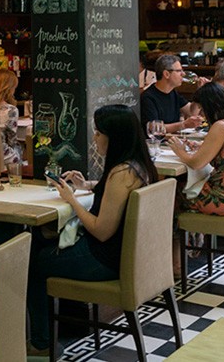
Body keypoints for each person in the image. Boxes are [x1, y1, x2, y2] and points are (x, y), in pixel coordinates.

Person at [26, 105, 158, 353]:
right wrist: (87, 184)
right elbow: (116, 195)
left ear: (114, 137)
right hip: (126, 257)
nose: (94, 138)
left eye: (98, 133)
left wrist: (72, 200)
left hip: (104, 259)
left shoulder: (121, 173)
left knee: (33, 263)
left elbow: (101, 231)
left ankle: (42, 343)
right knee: (38, 241)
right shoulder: (137, 165)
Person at [166, 83, 224, 215]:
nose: (201, 114)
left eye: (202, 108)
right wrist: (202, 146)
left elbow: (196, 164)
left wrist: (180, 151)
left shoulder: (222, 126)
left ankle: (180, 228)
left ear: (211, 106)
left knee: (170, 191)